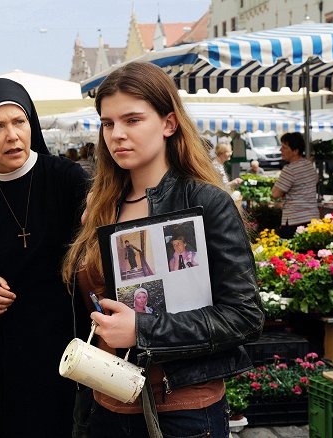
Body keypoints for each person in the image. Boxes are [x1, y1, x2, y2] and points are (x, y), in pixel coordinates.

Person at [62, 62, 263, 438]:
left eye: (133, 120)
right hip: (105, 400)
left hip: (181, 409)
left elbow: (244, 316)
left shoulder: (206, 202)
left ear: (169, 123)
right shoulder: (103, 205)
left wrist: (143, 329)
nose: (117, 134)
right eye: (108, 124)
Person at [0, 78, 89, 437]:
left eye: (19, 122)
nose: (12, 135)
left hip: (70, 332)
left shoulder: (67, 178)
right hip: (11, 339)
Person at [272, 132, 320, 239]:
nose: (281, 150)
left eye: (284, 147)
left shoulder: (290, 170)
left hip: (294, 220)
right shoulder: (309, 165)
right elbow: (315, 180)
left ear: (295, 151)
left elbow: (275, 194)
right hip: (312, 217)